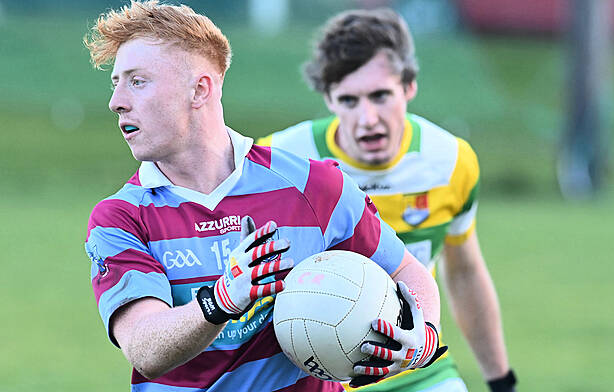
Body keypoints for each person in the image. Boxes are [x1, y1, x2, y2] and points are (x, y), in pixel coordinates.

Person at [82, 1, 446, 391]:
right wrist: (221, 299)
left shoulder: (314, 186)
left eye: (137, 81)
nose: (116, 100)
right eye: (116, 82)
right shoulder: (119, 218)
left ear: (199, 89)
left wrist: (421, 337)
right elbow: (145, 349)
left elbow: (406, 271)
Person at [258, 8, 517, 392]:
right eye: (349, 100)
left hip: (417, 367)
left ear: (409, 86)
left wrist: (501, 380)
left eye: (381, 96)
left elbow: (463, 272)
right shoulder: (280, 162)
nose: (368, 119)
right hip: (311, 375)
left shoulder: (449, 161)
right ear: (328, 98)